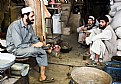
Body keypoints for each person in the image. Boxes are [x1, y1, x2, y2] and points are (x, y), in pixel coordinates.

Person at [6, 7, 53, 82]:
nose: (33, 18)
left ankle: (42, 76)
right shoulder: (15, 26)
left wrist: (43, 45)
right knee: (40, 51)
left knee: (43, 49)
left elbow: (34, 38)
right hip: (15, 49)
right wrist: (34, 45)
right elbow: (18, 45)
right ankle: (42, 76)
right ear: (25, 16)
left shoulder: (29, 25)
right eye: (31, 16)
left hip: (25, 46)